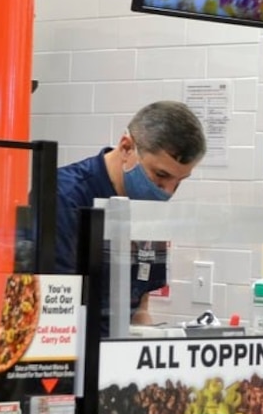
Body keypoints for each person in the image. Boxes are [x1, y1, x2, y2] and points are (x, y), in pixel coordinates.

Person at [52, 100, 206, 329]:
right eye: (160, 175)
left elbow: (140, 305)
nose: (168, 192)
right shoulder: (64, 196)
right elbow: (52, 308)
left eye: (179, 181)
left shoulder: (149, 206)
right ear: (126, 147)